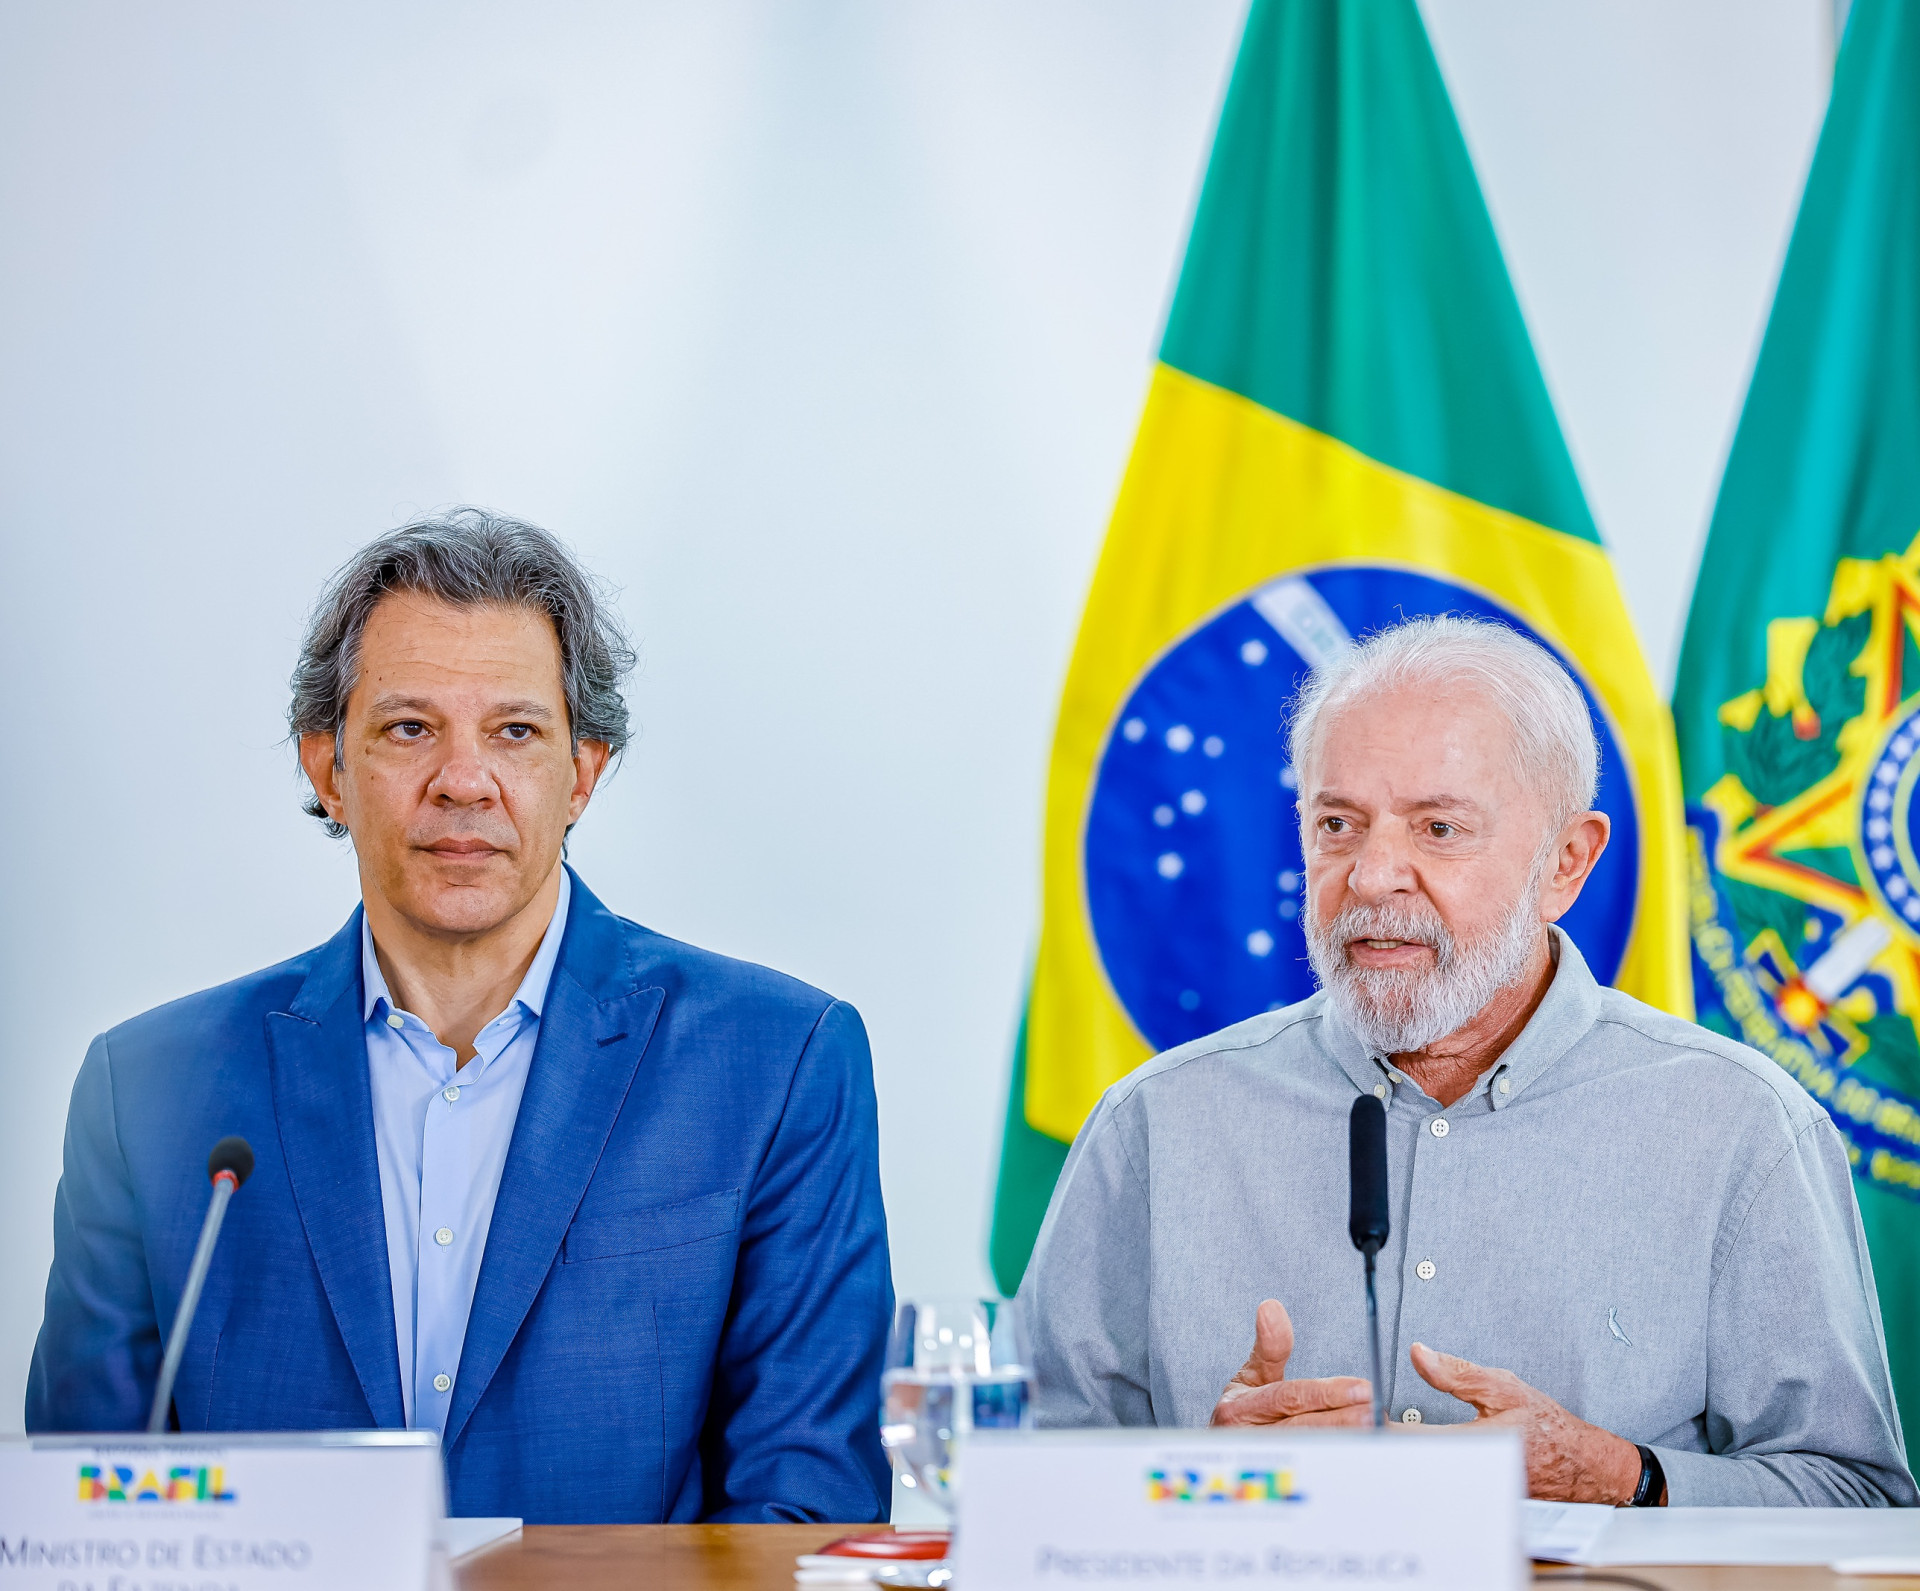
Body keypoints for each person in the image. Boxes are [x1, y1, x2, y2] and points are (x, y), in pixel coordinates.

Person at [27, 509, 893, 1525]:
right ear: (327, 766)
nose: (463, 780)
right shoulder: (151, 1093)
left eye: (515, 731)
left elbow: (807, 1513)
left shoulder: (775, 1065)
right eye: (408, 728)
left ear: (583, 771)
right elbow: (82, 1515)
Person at [1019, 615, 1916, 1507]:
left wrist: (1618, 1474)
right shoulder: (1156, 1122)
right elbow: (1026, 1493)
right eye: (1338, 823)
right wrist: (1202, 1488)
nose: (1371, 876)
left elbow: (1859, 1500)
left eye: (1438, 829)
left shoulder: (1742, 1126)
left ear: (1567, 861)